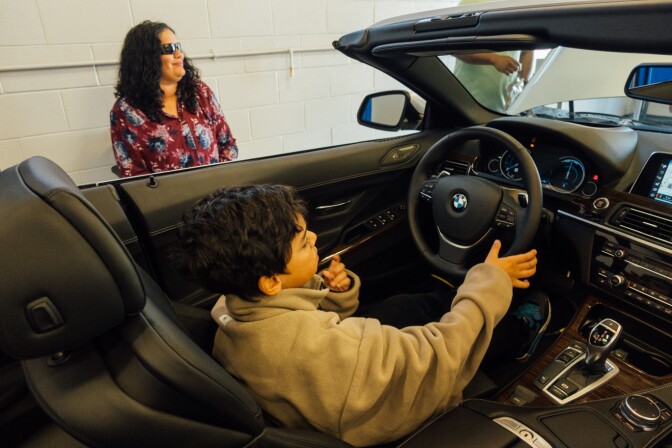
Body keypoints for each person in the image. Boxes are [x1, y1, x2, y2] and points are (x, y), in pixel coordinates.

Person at [173, 185, 543, 447]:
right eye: (304, 243)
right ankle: (523, 332)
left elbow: (299, 321)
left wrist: (332, 292)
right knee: (484, 332)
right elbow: (437, 355)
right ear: (270, 281)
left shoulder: (228, 309)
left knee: (405, 306)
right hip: (393, 423)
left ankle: (458, 301)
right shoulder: (326, 349)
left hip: (323, 391)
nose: (315, 238)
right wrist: (489, 281)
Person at [110, 21, 238, 177]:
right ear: (147, 58)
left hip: (215, 193)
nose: (179, 55)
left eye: (178, 47)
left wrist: (219, 184)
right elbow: (133, 173)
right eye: (169, 49)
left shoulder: (200, 92)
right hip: (169, 199)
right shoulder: (126, 111)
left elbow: (228, 145)